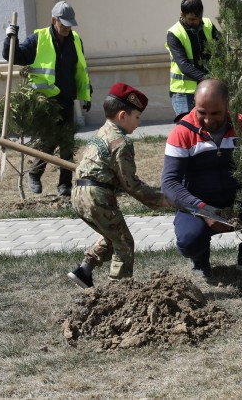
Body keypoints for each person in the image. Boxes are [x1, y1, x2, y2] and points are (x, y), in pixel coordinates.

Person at [161, 78, 242, 279]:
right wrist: (205, 211)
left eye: (216, 113)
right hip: (199, 206)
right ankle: (200, 260)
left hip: (240, 203)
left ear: (227, 105)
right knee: (189, 242)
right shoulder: (182, 133)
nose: (208, 120)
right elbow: (169, 185)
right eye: (201, 113)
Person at [67, 82, 169, 289]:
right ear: (123, 116)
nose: (139, 124)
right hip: (97, 195)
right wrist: (161, 199)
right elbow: (131, 184)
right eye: (137, 117)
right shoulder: (121, 142)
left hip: (78, 192)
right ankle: (119, 291)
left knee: (112, 234)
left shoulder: (99, 133)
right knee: (124, 243)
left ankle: (84, 271)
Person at [3, 0, 92, 197]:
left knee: (67, 144)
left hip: (67, 99)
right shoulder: (38, 39)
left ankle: (65, 186)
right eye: (64, 24)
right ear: (54, 20)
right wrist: (10, 38)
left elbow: (80, 68)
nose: (68, 28)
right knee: (49, 142)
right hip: (46, 100)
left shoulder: (75, 39)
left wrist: (87, 92)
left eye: (70, 24)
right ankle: (34, 173)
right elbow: (14, 57)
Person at [166, 0, 220, 120]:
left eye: (199, 18)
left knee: (207, 129)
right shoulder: (174, 33)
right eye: (191, 19)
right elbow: (183, 65)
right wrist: (208, 79)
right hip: (184, 92)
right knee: (187, 129)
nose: (196, 22)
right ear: (182, 14)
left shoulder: (208, 25)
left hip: (208, 89)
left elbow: (222, 49)